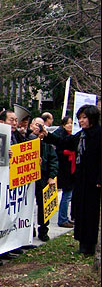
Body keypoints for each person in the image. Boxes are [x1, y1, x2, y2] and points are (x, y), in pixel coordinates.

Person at [43, 105, 101, 255]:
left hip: (94, 181)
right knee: (80, 211)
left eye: (84, 118)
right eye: (80, 118)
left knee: (91, 213)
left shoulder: (98, 134)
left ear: (92, 118)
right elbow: (65, 142)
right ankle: (83, 244)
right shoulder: (81, 135)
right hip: (80, 179)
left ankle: (91, 245)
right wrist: (47, 135)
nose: (81, 121)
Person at [29, 117, 58, 242]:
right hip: (29, 178)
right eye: (36, 125)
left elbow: (53, 160)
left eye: (41, 125)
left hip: (43, 177)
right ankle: (30, 229)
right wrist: (34, 136)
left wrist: (51, 176)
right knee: (28, 205)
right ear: (31, 126)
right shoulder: (27, 137)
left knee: (43, 206)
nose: (39, 127)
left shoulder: (47, 143)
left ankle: (43, 230)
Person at [52, 116, 75, 228]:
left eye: (71, 123)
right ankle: (62, 219)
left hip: (68, 170)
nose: (70, 125)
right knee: (66, 194)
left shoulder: (70, 135)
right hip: (63, 170)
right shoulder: (60, 136)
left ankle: (65, 217)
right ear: (63, 124)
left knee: (68, 194)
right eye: (68, 123)